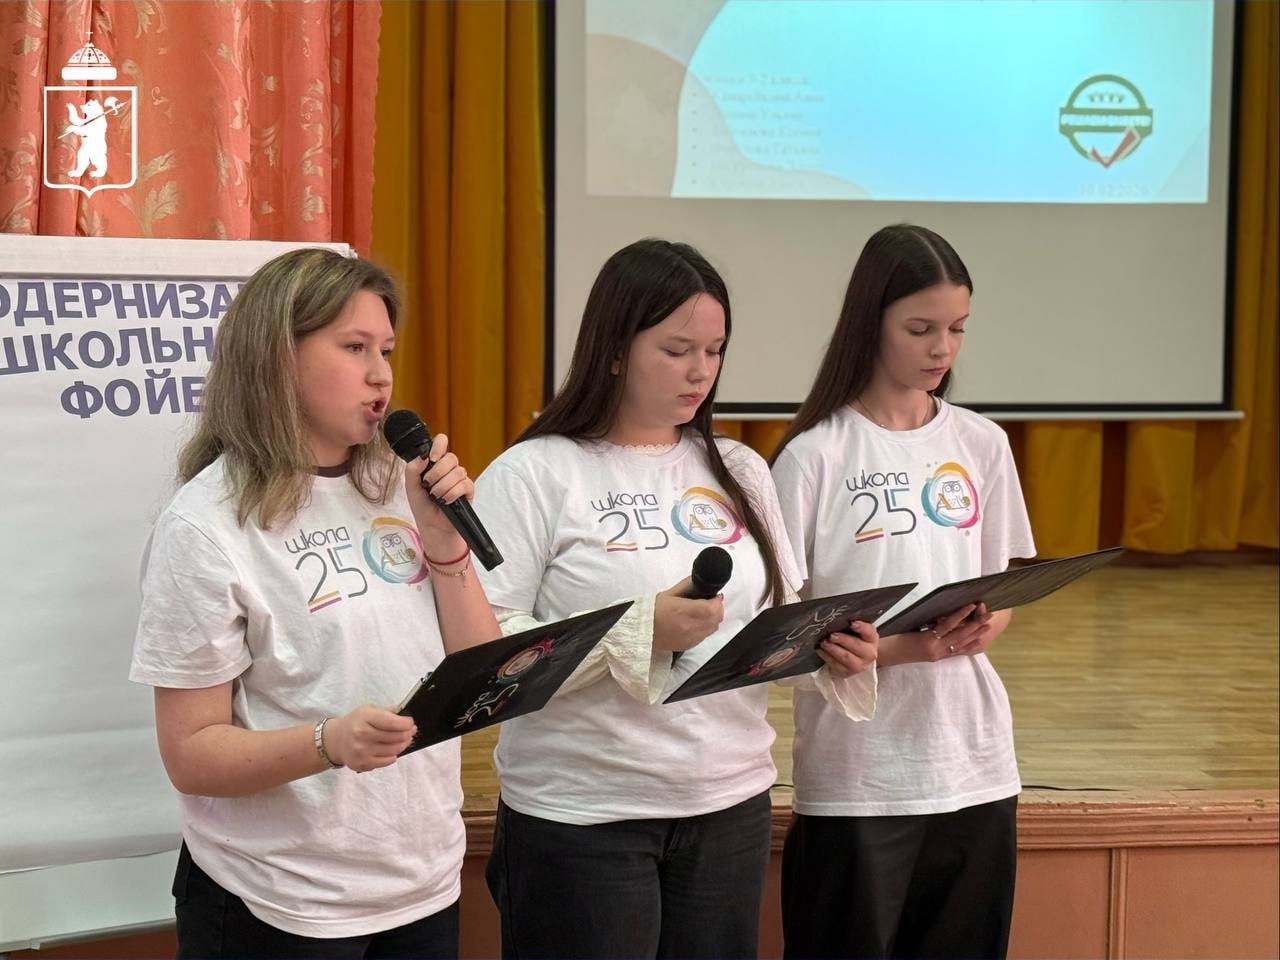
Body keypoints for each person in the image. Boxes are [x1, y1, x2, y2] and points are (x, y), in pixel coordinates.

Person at [473, 238, 879, 959]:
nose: (701, 371)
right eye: (676, 349)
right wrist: (637, 632)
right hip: (582, 816)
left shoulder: (741, 469)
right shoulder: (534, 472)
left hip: (728, 804)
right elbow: (490, 646)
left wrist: (829, 648)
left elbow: (773, 619)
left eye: (714, 350)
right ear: (614, 349)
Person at [129, 248, 500, 959]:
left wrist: (444, 543)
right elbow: (192, 754)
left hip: (423, 883)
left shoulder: (401, 482)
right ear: (276, 360)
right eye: (354, 348)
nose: (381, 374)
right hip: (278, 901)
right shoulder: (206, 525)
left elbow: (482, 674)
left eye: (386, 350)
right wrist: (328, 743)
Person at [770, 223, 1037, 960]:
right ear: (870, 322)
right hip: (860, 776)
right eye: (920, 329)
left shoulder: (982, 443)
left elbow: (1003, 589)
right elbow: (775, 633)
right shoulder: (814, 456)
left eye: (957, 328)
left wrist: (982, 623)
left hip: (975, 764)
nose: (942, 348)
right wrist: (898, 650)